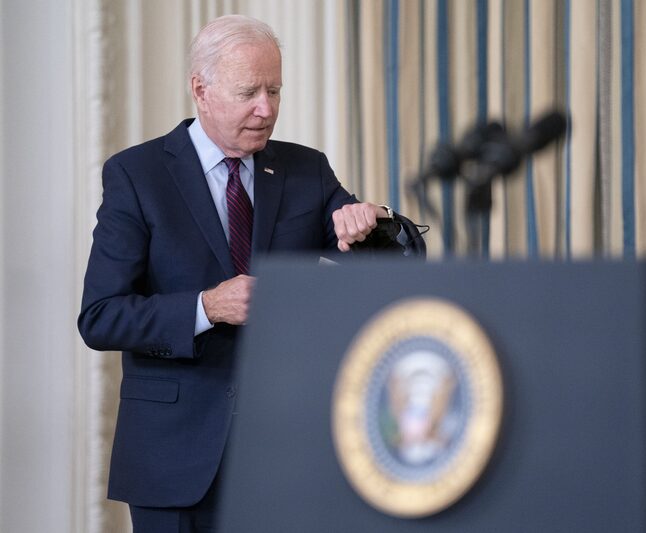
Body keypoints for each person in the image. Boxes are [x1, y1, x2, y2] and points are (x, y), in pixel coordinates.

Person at [78, 14, 405, 532]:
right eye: (249, 91)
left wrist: (375, 221)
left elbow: (388, 268)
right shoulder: (136, 175)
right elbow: (100, 317)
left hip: (288, 456)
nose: (266, 108)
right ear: (200, 89)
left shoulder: (306, 170)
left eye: (275, 90)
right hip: (175, 458)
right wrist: (206, 308)